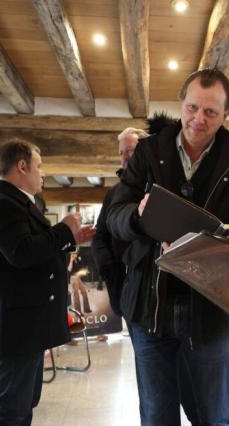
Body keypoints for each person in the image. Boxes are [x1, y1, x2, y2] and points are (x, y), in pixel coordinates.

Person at [106, 69, 229, 426]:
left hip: (209, 313)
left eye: (210, 112)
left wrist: (204, 244)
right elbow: (114, 217)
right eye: (192, 107)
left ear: (226, 114)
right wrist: (137, 216)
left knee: (214, 417)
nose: (198, 119)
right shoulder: (147, 152)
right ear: (181, 104)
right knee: (157, 417)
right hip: (149, 309)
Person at [0, 138, 94, 426]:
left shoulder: (15, 203)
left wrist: (71, 239)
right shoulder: (3, 205)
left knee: (23, 406)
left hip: (26, 325)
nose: (43, 173)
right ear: (21, 166)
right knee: (10, 412)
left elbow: (33, 250)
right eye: (39, 166)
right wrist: (64, 230)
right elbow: (21, 253)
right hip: (15, 327)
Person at [92, 127, 149, 318]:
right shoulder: (114, 193)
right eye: (121, 153)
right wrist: (109, 269)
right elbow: (100, 236)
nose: (125, 157)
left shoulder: (160, 187)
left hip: (154, 292)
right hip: (124, 289)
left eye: (130, 150)